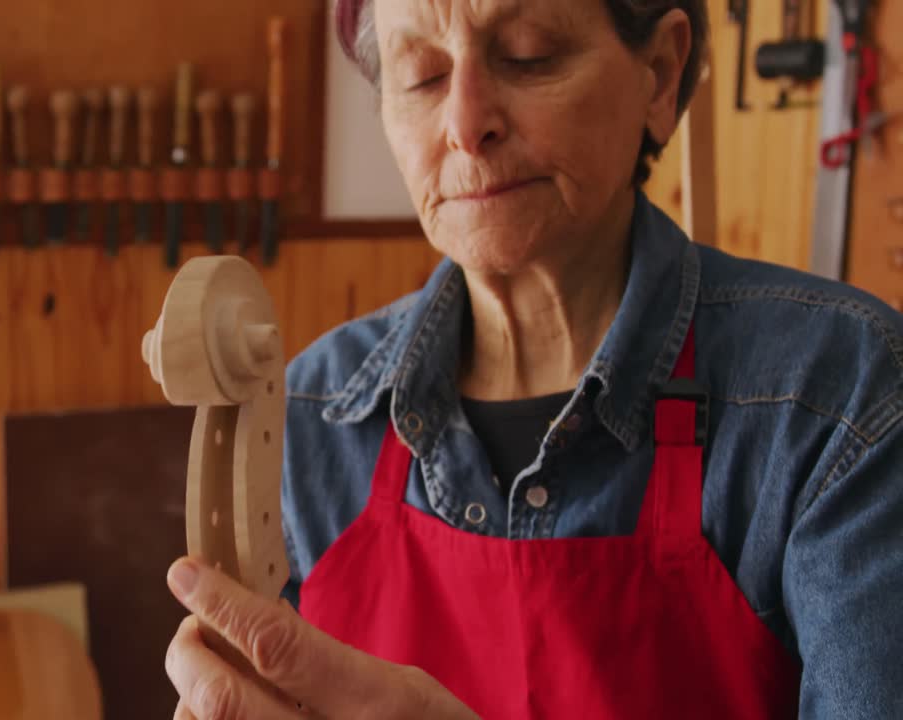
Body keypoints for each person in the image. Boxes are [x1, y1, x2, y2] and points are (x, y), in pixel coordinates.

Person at [161, 0, 903, 717]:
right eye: (420, 74)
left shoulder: (837, 398)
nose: (463, 124)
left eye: (528, 56)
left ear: (660, 71)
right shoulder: (311, 417)